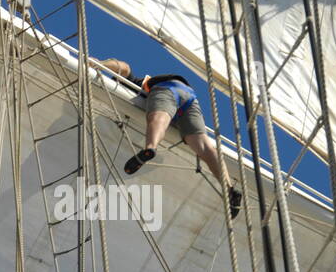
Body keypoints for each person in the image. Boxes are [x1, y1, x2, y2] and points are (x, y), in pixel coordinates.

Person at [99, 59, 242, 219]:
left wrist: (98, 63)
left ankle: (150, 148)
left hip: (167, 89)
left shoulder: (135, 83)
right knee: (204, 146)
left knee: (159, 117)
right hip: (189, 97)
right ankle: (229, 189)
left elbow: (124, 67)